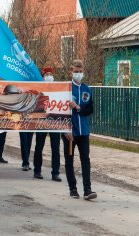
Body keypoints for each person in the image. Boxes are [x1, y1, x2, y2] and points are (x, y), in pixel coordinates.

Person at [63, 60, 97, 200]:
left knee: (85, 160)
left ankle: (87, 190)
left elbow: (90, 109)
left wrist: (78, 107)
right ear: (71, 72)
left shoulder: (87, 89)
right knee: (69, 160)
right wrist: (65, 130)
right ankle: (73, 189)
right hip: (70, 132)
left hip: (84, 132)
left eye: (80, 71)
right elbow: (59, 111)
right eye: (75, 72)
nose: (78, 74)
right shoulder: (65, 88)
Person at [33, 67, 61, 182]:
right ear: (43, 77)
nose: (49, 76)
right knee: (39, 146)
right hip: (42, 121)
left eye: (50, 74)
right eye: (46, 74)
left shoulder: (58, 88)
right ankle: (37, 170)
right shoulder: (39, 88)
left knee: (55, 147)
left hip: (54, 121)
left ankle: (55, 172)